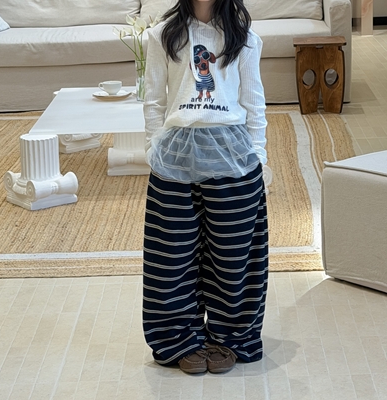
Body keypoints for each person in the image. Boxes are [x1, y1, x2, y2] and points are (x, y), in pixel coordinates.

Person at [142, 0, 268, 374]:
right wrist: (153, 150)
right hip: (175, 156)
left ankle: (231, 337)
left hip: (233, 156)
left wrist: (258, 158)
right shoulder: (161, 35)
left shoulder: (244, 38)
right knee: (171, 256)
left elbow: (254, 102)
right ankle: (178, 339)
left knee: (235, 256)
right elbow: (153, 100)